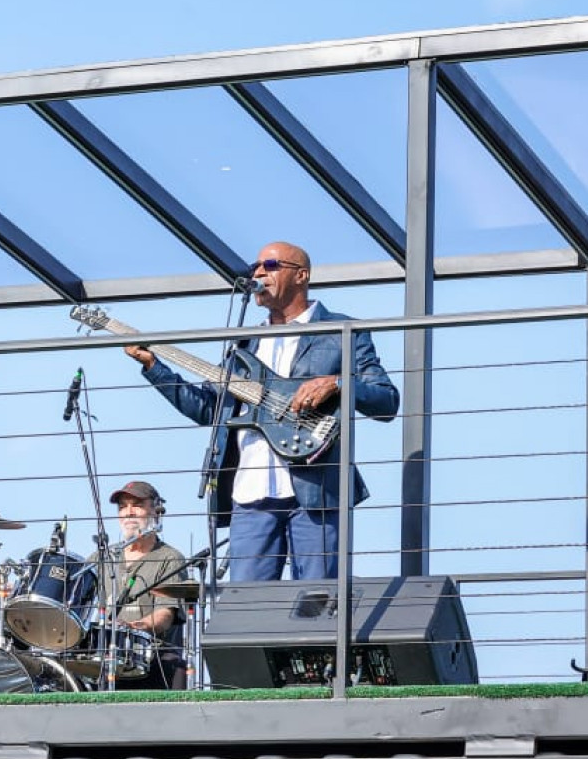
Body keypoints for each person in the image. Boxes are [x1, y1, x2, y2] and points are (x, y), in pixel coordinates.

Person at [124, 241, 398, 582]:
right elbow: (209, 410)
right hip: (250, 494)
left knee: (317, 605)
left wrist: (339, 383)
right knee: (247, 611)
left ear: (301, 275)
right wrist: (154, 367)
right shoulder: (245, 343)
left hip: (315, 492)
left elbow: (387, 400)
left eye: (270, 265)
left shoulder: (342, 332)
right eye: (255, 267)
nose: (258, 273)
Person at [95, 480, 194, 690]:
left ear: (156, 512)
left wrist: (134, 628)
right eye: (123, 507)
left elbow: (165, 616)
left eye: (137, 505)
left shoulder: (169, 558)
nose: (128, 512)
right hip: (106, 658)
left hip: (154, 661)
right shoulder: (100, 558)